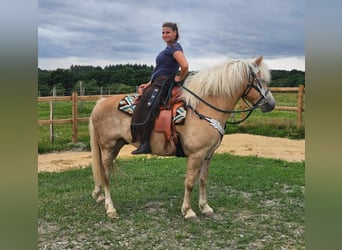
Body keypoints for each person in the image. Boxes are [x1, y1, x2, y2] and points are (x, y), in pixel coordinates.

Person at [131, 22, 189, 154]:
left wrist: (180, 78)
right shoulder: (167, 49)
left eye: (168, 32)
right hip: (158, 81)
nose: (165, 35)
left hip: (164, 83)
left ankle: (145, 143)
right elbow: (160, 70)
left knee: (148, 105)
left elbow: (184, 65)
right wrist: (149, 82)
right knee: (145, 100)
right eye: (163, 32)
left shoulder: (175, 47)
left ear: (175, 33)